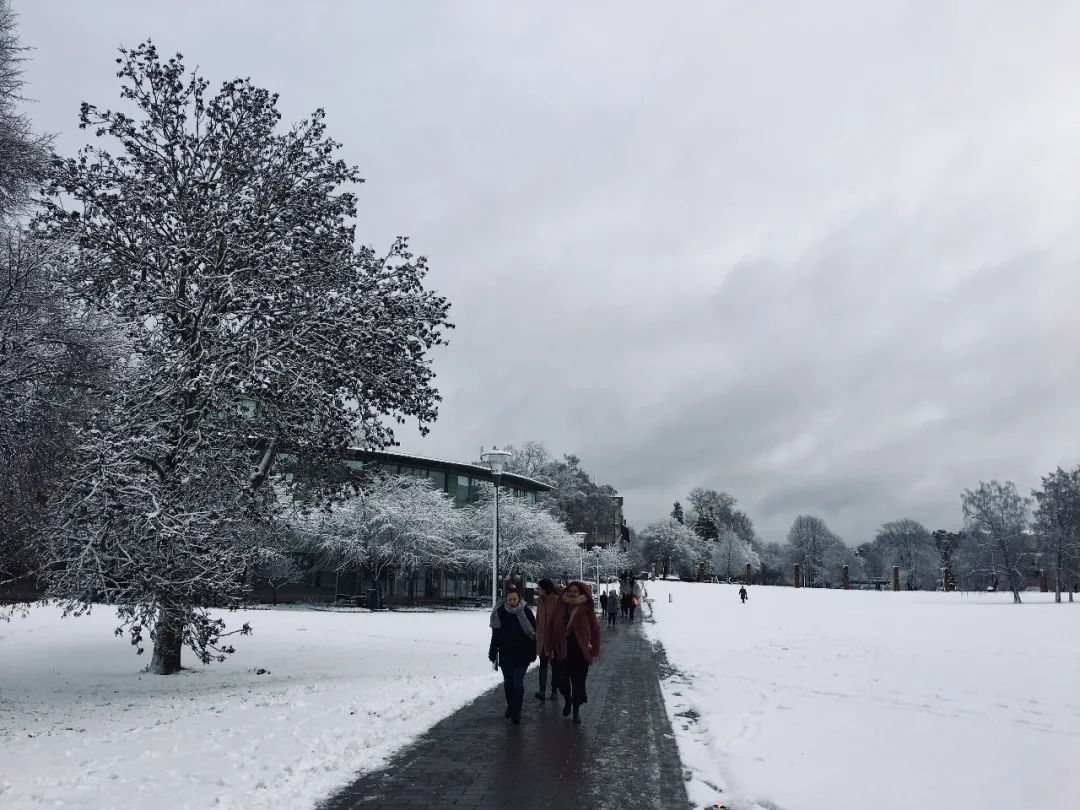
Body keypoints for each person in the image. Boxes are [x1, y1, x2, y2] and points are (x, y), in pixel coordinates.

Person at [488, 585, 537, 725]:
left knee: (518, 684)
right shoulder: (500, 612)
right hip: (505, 654)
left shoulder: (526, 612)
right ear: (506, 599)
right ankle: (510, 706)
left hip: (522, 655)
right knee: (508, 684)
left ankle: (517, 711)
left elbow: (533, 634)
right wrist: (492, 652)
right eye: (509, 599)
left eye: (514, 599)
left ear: (519, 598)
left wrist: (533, 652)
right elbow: (495, 635)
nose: (512, 602)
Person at [555, 580, 601, 724]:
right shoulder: (561, 606)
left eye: (575, 591)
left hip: (580, 651)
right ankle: (568, 699)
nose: (572, 593)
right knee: (562, 680)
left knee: (578, 682)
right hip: (564, 649)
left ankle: (576, 711)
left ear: (580, 593)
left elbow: (595, 628)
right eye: (570, 591)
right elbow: (553, 625)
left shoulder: (586, 609)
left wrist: (594, 648)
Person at [534, 578, 562, 702]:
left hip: (554, 639)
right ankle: (542, 691)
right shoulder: (540, 601)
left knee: (555, 666)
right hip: (542, 638)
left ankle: (554, 690)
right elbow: (538, 619)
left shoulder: (556, 600)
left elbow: (560, 619)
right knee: (543, 665)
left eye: (539, 588)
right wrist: (537, 631)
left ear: (544, 589)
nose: (538, 591)